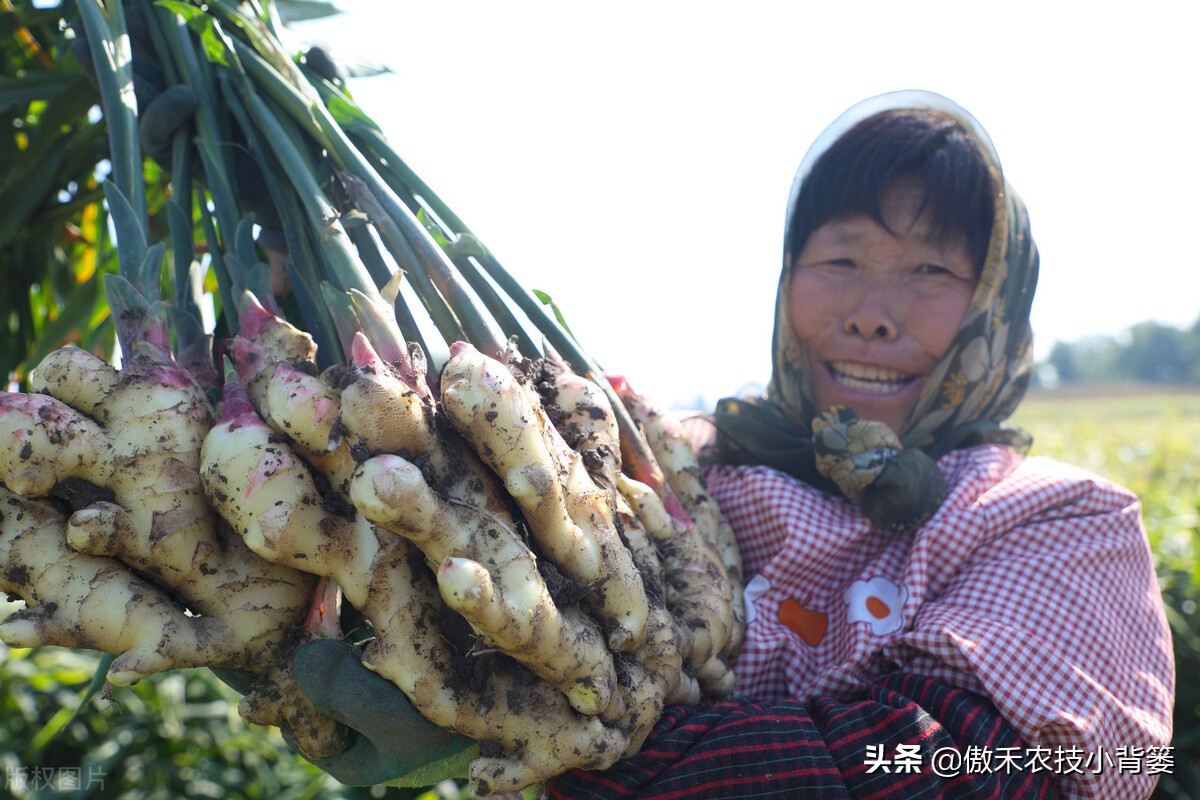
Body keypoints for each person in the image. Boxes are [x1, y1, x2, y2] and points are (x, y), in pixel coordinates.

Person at [290, 91, 1175, 800]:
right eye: (841, 260)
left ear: (996, 310)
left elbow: (977, 771)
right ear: (786, 281)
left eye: (932, 272)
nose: (873, 310)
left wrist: (580, 741)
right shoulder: (664, 465)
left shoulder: (1061, 522)